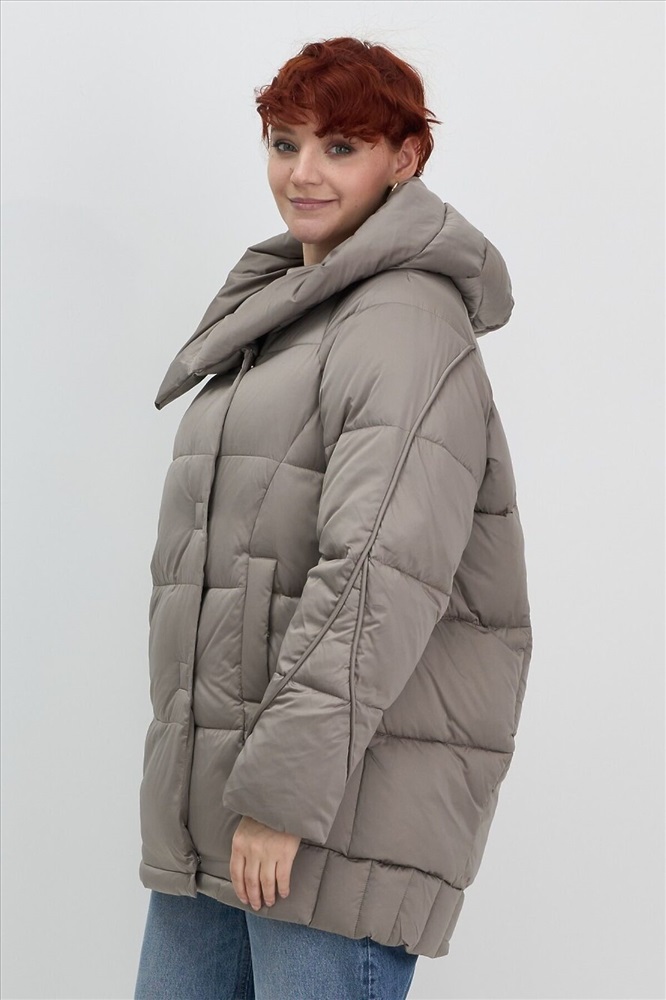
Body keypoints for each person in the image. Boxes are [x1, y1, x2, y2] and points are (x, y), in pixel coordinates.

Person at [134, 35, 533, 1000]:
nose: (303, 173)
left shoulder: (401, 319)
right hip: (224, 813)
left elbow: (375, 576)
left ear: (406, 157)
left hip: (323, 827)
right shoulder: (292, 311)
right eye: (285, 143)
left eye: (341, 147)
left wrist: (281, 800)